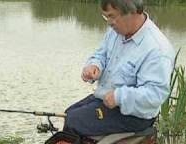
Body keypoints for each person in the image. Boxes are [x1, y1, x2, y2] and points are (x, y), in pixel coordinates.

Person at [63, 0, 175, 137]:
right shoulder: (116, 30)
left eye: (112, 16)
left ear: (133, 12)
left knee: (74, 121)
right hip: (105, 99)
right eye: (106, 17)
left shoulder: (157, 49)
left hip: (134, 115)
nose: (109, 22)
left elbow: (155, 95)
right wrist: (94, 65)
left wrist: (119, 97)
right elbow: (101, 54)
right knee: (68, 114)